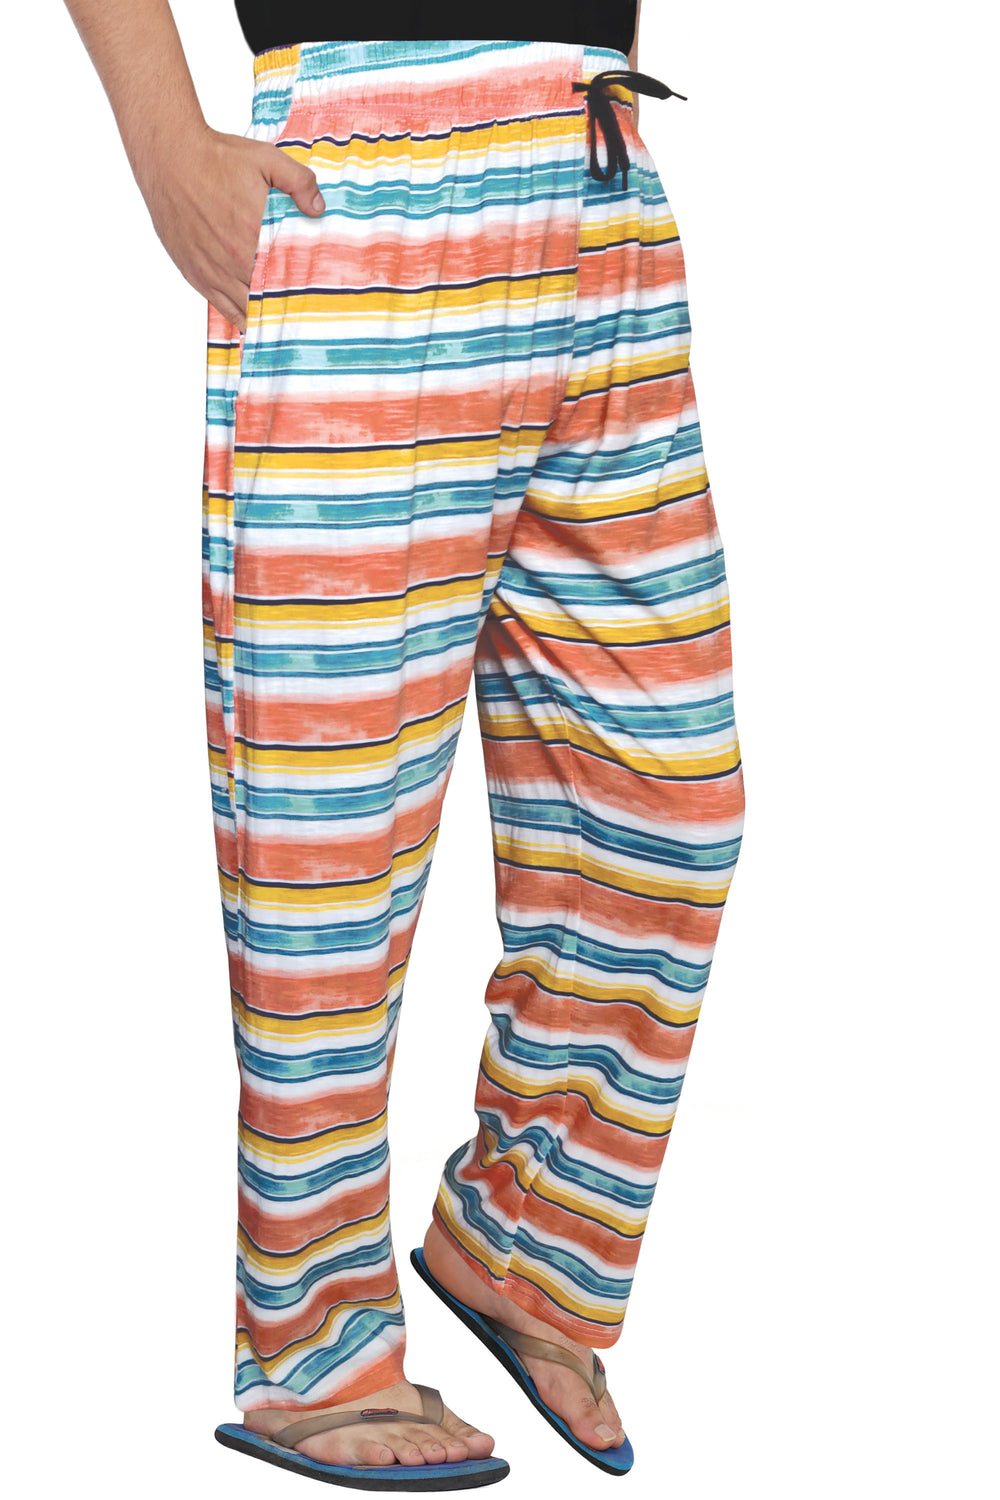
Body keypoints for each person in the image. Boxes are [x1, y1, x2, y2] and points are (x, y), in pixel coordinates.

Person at [63, 0, 746, 1487]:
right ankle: (314, 1355)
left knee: (667, 807)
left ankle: (527, 1241)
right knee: (330, 833)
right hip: (372, 172)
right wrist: (165, 142)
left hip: (599, 156)